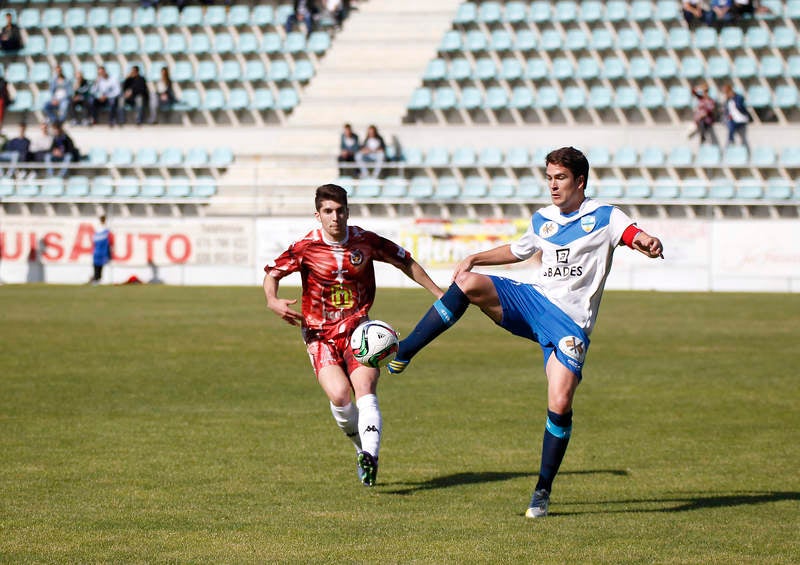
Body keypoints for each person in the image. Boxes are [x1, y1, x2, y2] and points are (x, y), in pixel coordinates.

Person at [386, 147, 664, 518]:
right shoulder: (542, 219)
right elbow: (519, 251)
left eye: (560, 178)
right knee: (467, 282)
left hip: (570, 324)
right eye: (549, 177)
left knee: (560, 402)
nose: (553, 185)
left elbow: (632, 233)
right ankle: (406, 349)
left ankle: (542, 490)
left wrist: (646, 241)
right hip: (534, 302)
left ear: (580, 182)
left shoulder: (605, 216)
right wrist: (474, 256)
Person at [263, 183, 443, 486]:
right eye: (328, 211)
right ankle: (362, 448)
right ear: (318, 214)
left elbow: (405, 261)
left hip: (360, 330)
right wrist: (272, 300)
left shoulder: (365, 241)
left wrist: (439, 293)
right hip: (319, 334)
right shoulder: (305, 247)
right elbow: (272, 273)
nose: (335, 217)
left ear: (348, 211)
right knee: (339, 395)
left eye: (340, 210)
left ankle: (371, 456)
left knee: (365, 390)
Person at [722, 83, 751, 156]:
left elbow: (740, 106)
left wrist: (733, 98)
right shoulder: (728, 101)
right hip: (734, 119)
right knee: (730, 123)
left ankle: (730, 140)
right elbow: (727, 111)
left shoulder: (738, 97)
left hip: (741, 118)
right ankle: (731, 140)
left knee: (731, 124)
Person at [688, 82, 719, 146]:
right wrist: (698, 87)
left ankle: (702, 136)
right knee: (699, 122)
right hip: (698, 118)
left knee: (702, 121)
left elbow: (710, 110)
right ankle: (701, 135)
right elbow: (693, 91)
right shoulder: (700, 98)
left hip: (707, 119)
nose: (705, 93)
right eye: (704, 92)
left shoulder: (710, 100)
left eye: (706, 92)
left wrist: (702, 115)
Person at [90, 215, 114, 285]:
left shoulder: (105, 229)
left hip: (101, 251)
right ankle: (96, 278)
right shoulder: (99, 229)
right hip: (99, 251)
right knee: (96, 265)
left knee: (100, 265)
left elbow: (109, 242)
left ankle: (98, 279)